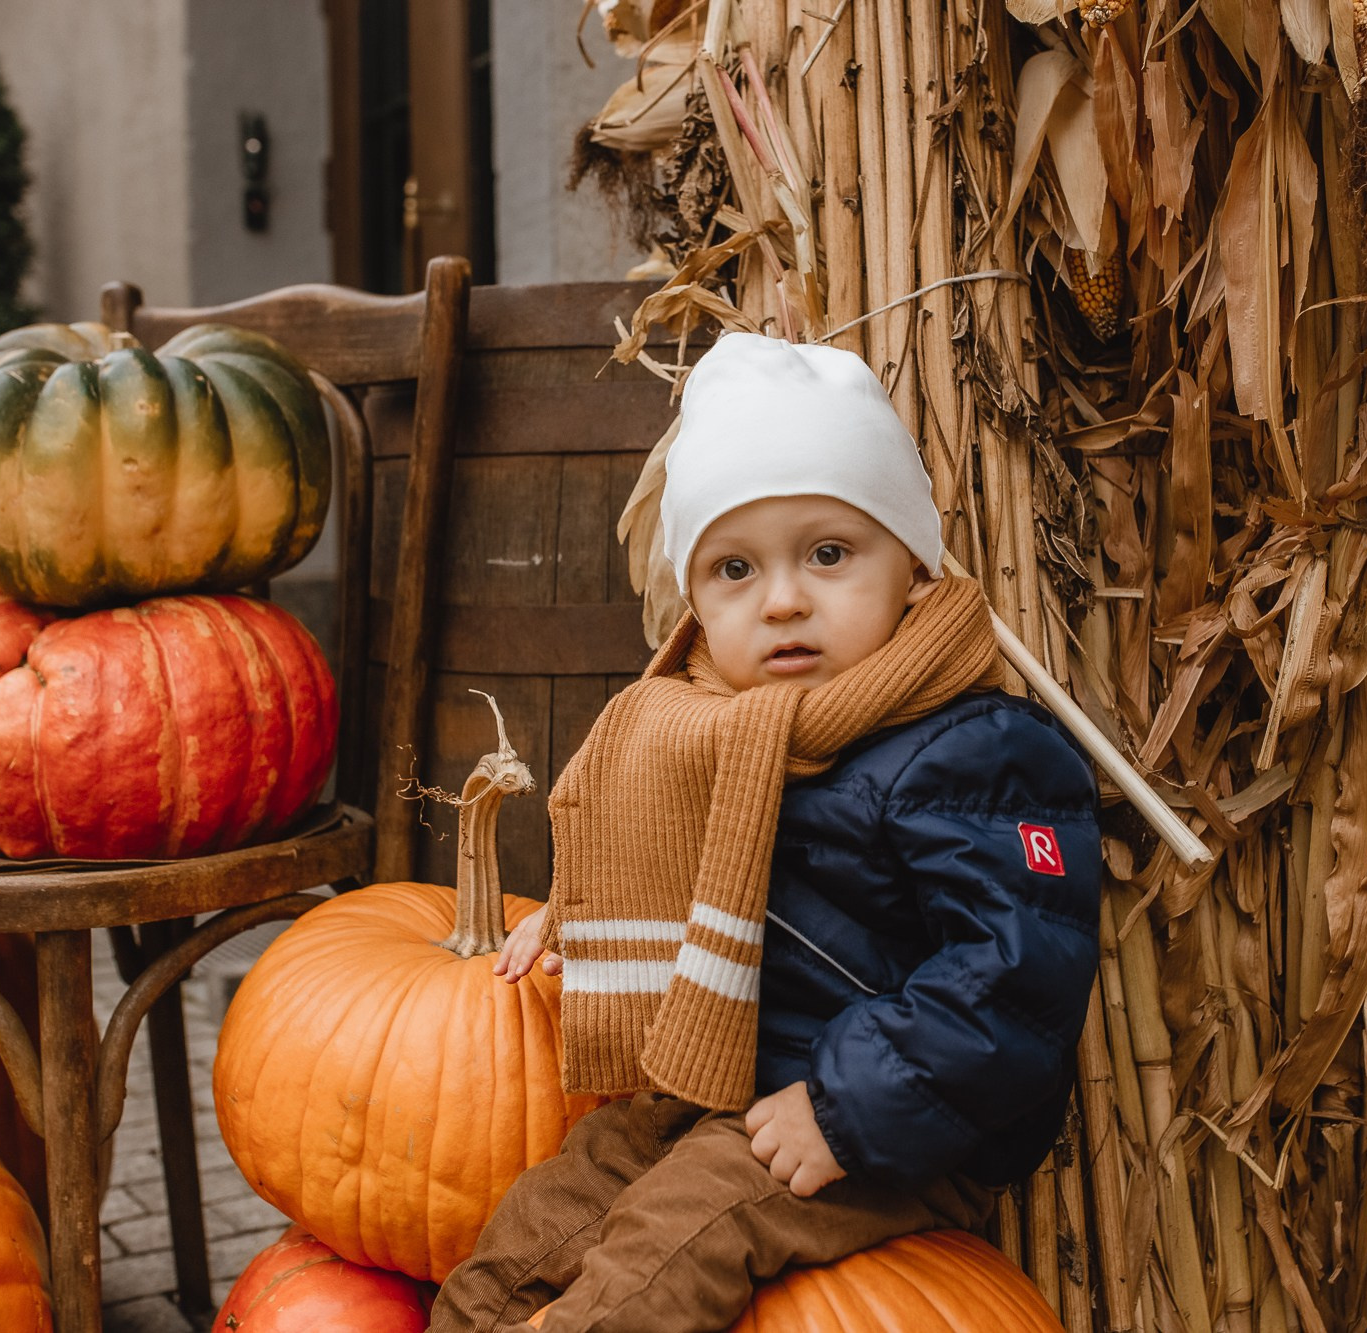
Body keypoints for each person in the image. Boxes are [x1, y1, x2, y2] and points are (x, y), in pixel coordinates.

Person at [428, 332, 1101, 1333]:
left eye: (828, 553)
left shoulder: (974, 750)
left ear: (910, 567)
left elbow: (1013, 978)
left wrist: (843, 1107)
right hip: (713, 1079)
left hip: (890, 1129)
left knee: (667, 1249)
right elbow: (678, 859)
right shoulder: (708, 729)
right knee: (533, 1231)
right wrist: (579, 911)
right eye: (734, 568)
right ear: (694, 605)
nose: (782, 598)